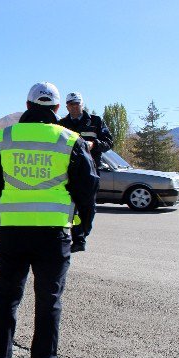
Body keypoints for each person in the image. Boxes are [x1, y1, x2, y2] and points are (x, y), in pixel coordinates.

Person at [0, 82, 99, 358]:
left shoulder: (4, 136)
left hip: (12, 232)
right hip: (53, 233)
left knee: (7, 296)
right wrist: (82, 229)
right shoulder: (69, 139)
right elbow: (87, 189)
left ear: (28, 105)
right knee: (49, 301)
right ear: (57, 109)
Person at [58, 92, 113, 252]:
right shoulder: (62, 124)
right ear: (66, 106)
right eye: (71, 104)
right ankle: (78, 239)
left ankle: (83, 232)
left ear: (82, 104)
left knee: (88, 208)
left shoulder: (96, 121)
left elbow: (109, 142)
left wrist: (94, 144)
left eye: (77, 104)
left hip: (90, 172)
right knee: (71, 207)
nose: (74, 107)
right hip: (67, 172)